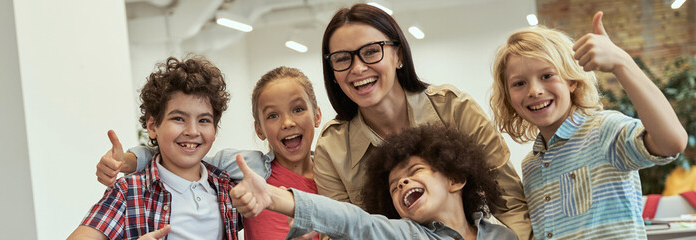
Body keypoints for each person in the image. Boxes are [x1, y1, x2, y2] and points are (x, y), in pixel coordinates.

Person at [312, 3, 532, 239]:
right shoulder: (332, 148)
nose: (357, 68)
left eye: (371, 51)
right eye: (342, 58)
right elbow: (339, 231)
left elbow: (509, 203)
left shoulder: (454, 108)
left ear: (399, 55)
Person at [489, 12, 687, 240]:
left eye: (547, 75)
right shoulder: (531, 167)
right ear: (509, 98)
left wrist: (621, 63)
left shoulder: (603, 130)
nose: (534, 90)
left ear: (571, 81)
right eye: (519, 83)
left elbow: (672, 143)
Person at [96, 67, 323, 240]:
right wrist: (129, 160)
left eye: (298, 109)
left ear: (317, 115)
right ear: (259, 129)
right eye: (272, 115)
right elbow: (177, 154)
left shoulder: (336, 179)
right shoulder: (243, 170)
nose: (287, 122)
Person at [231, 125, 518, 240]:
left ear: (455, 179)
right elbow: (353, 221)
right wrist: (274, 197)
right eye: (394, 187)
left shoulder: (503, 236)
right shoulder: (408, 235)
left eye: (415, 170)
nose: (403, 182)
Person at [68, 56, 239, 240]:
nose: (192, 131)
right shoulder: (128, 192)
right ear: (152, 126)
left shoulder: (228, 189)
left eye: (204, 120)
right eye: (178, 119)